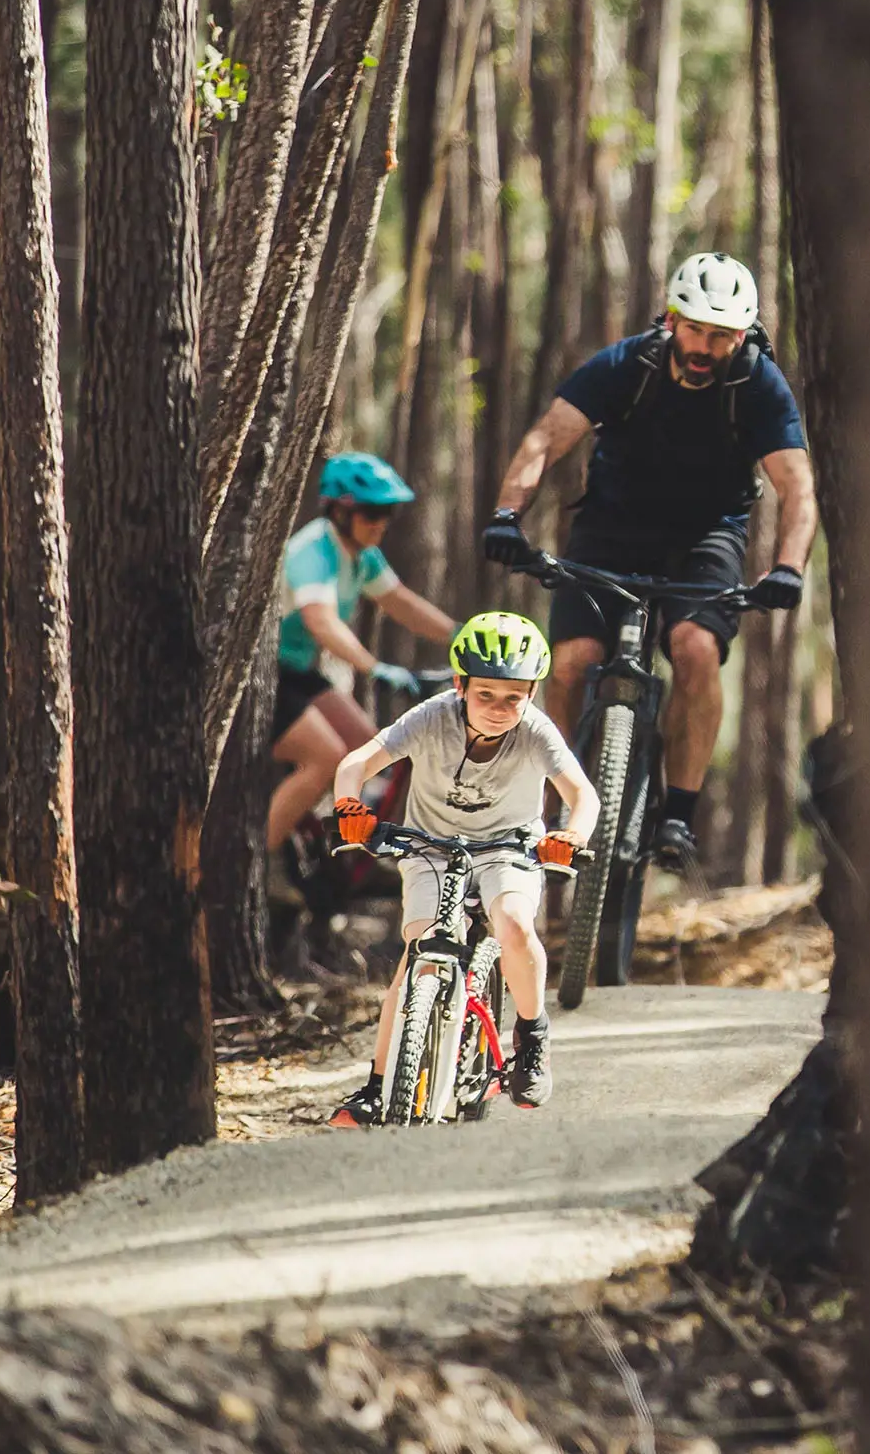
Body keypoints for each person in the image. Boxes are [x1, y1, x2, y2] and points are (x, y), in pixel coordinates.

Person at [479, 252, 816, 865]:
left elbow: (797, 487)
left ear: (739, 337)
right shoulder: (626, 365)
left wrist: (789, 566)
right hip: (610, 527)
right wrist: (507, 516)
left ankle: (677, 818)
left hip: (707, 538)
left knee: (693, 649)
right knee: (572, 663)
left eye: (719, 336)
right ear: (672, 319)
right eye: (694, 329)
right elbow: (546, 439)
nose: (703, 346)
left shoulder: (758, 385)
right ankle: (559, 809)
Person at [324, 613, 598, 1125]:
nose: (499, 709)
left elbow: (582, 795)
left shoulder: (536, 731)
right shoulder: (431, 717)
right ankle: (378, 1087)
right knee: (417, 954)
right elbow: (355, 764)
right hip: (430, 848)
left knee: (514, 923)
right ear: (460, 686)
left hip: (508, 850)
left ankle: (532, 1038)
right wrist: (349, 808)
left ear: (532, 694)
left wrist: (571, 837)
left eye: (514, 697)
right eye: (485, 695)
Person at [270, 452, 458, 854]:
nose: (381, 523)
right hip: (268, 677)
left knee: (370, 748)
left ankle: (342, 849)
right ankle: (264, 867)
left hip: (299, 672)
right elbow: (320, 621)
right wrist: (373, 668)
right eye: (372, 512)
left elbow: (400, 602)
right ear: (340, 511)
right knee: (325, 757)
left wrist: (462, 636)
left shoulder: (360, 554)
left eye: (387, 512)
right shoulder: (314, 550)